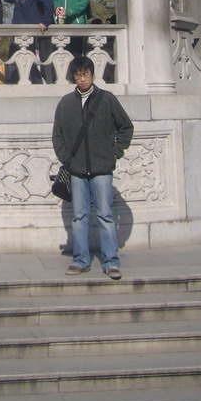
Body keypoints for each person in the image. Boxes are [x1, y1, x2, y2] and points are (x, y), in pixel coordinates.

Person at [52, 55, 133, 279]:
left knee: (105, 215)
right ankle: (80, 259)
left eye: (85, 74)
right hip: (77, 169)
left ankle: (110, 261)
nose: (82, 79)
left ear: (92, 74)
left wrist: (115, 152)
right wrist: (66, 158)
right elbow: (57, 134)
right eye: (78, 75)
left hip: (101, 168)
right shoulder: (66, 103)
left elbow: (126, 127)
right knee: (79, 216)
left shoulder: (107, 99)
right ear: (73, 78)